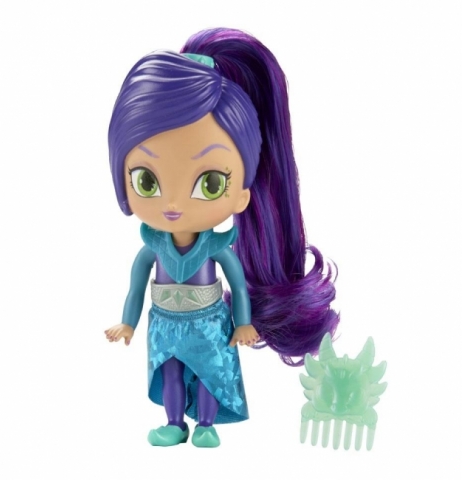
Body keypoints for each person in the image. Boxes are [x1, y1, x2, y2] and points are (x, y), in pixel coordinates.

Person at [104, 28, 338, 448]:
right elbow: (136, 289)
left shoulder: (216, 247)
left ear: (242, 193)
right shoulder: (151, 248)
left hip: (209, 322)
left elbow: (238, 286)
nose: (172, 203)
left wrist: (243, 323)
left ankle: (207, 425)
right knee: (169, 373)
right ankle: (174, 422)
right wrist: (128, 322)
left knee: (211, 372)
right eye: (146, 180)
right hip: (164, 323)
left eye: (210, 183)